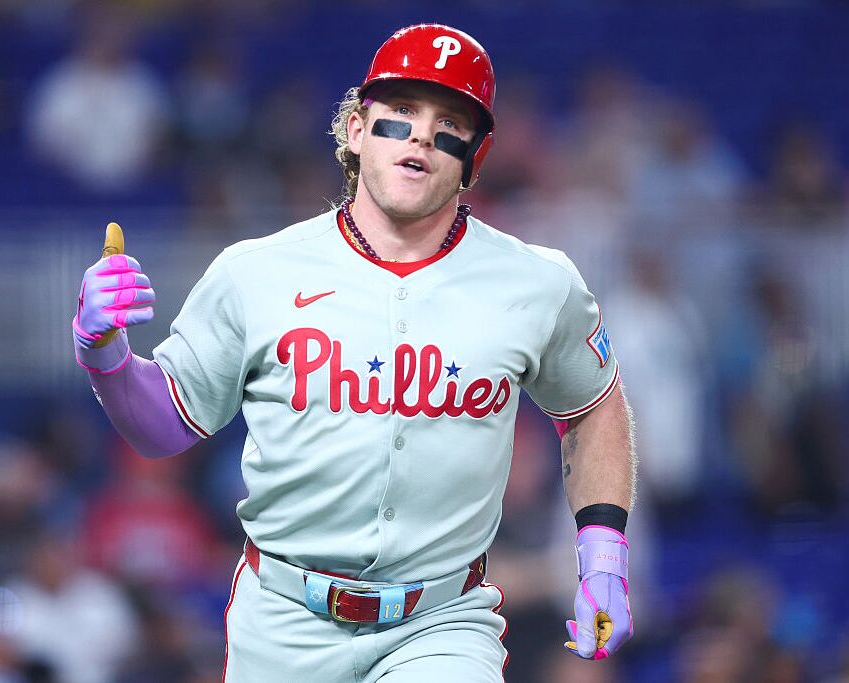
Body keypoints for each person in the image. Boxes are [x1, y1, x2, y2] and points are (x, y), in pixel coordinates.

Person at [72, 24, 636, 680]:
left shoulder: (537, 282)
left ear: (473, 160)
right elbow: (163, 425)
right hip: (284, 620)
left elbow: (593, 405)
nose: (422, 134)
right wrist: (106, 354)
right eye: (401, 113)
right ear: (356, 131)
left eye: (449, 121)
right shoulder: (255, 272)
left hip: (441, 622)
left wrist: (602, 555)